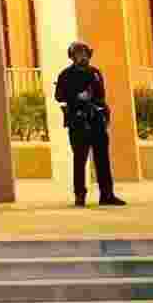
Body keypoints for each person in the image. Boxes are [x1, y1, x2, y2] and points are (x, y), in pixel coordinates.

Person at [53, 40, 126, 208]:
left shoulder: (95, 73)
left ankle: (107, 194)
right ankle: (80, 195)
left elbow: (101, 95)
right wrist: (76, 97)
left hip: (96, 121)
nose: (83, 56)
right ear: (72, 57)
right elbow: (59, 96)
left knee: (102, 159)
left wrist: (102, 112)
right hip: (78, 121)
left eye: (85, 53)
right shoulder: (66, 75)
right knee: (80, 159)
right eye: (79, 54)